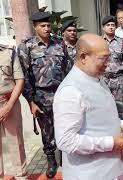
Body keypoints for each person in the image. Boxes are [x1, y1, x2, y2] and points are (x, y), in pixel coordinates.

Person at [53, 33, 123, 180]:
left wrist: (121, 124)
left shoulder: (96, 78)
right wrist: (111, 143)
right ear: (83, 57)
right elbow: (66, 141)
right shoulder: (70, 91)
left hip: (112, 167)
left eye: (108, 57)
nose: (108, 63)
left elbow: (98, 114)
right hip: (90, 173)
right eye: (103, 58)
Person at [17, 11, 68, 178]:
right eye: (42, 26)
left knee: (64, 126)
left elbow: (67, 69)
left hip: (61, 94)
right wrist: (31, 101)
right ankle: (51, 160)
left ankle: (65, 158)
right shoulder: (27, 47)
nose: (47, 28)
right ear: (35, 27)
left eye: (48, 25)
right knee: (47, 131)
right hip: (41, 96)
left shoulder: (60, 44)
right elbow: (24, 76)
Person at [0, 44, 26, 178]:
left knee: (16, 141)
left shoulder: (9, 52)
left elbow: (20, 80)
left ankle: (21, 175)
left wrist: (9, 106)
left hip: (10, 101)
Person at [101, 15, 123, 120]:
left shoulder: (122, 42)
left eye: (113, 25)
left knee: (120, 108)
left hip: (119, 79)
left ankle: (122, 131)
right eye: (108, 25)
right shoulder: (98, 42)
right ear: (103, 28)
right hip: (103, 79)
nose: (110, 27)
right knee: (103, 107)